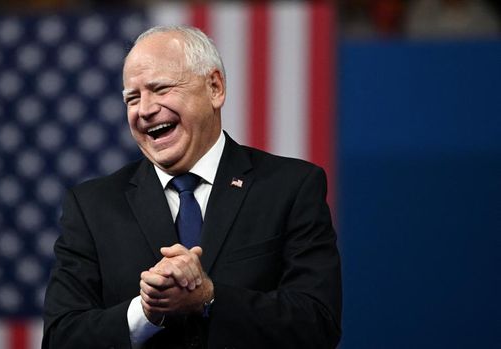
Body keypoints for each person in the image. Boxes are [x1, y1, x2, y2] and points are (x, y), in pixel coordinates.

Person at [43, 25, 342, 349]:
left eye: (160, 89)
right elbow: (61, 337)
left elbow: (317, 323)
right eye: (133, 98)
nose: (144, 110)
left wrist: (209, 298)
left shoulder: (290, 187)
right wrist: (145, 313)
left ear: (214, 87)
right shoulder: (92, 206)